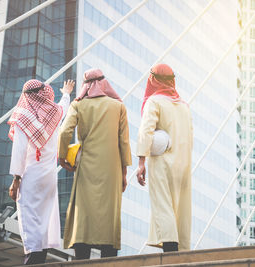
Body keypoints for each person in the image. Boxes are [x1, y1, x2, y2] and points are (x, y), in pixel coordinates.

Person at [58, 69, 131, 259]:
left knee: (83, 211)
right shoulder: (118, 106)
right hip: (112, 168)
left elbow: (65, 132)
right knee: (109, 212)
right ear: (104, 83)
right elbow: (123, 142)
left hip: (86, 165)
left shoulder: (78, 105)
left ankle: (82, 257)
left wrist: (62, 157)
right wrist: (124, 173)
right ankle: (109, 256)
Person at [8, 79, 74, 265]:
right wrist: (67, 92)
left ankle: (32, 259)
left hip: (30, 176)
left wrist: (16, 180)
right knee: (44, 221)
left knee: (29, 221)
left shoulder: (23, 117)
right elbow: (63, 105)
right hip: (49, 178)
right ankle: (39, 258)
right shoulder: (54, 113)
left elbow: (20, 151)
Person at [136, 63, 193, 252]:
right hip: (183, 164)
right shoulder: (184, 106)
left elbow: (146, 131)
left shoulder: (155, 101)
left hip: (162, 163)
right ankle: (181, 247)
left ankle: (170, 249)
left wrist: (141, 162)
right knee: (181, 208)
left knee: (163, 204)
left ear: (153, 79)